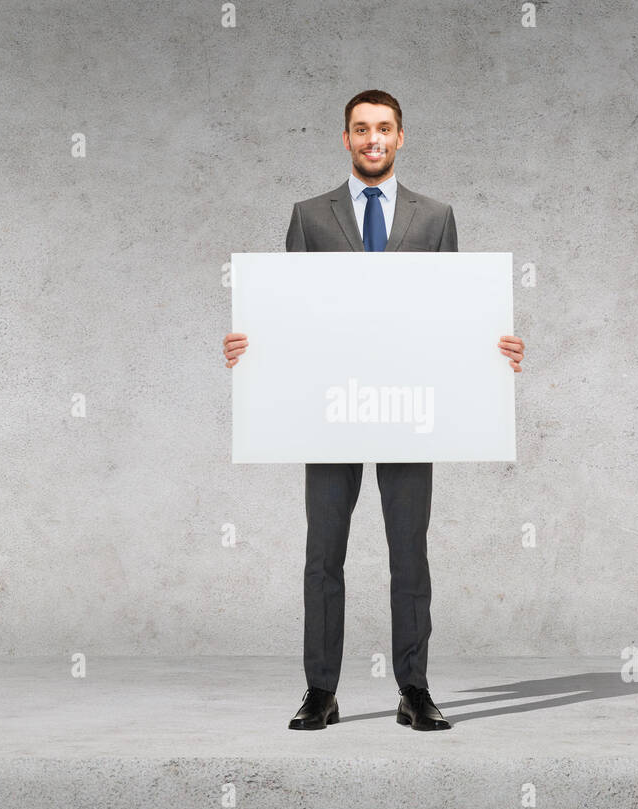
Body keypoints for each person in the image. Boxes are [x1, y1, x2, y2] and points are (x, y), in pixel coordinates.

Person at [222, 89, 525, 731]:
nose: (373, 139)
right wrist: (251, 345)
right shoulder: (309, 216)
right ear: (346, 138)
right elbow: (289, 310)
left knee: (408, 552)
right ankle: (321, 693)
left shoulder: (437, 216)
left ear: (401, 136)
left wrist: (494, 348)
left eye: (383, 129)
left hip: (410, 405)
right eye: (361, 130)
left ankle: (413, 689)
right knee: (323, 553)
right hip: (328, 407)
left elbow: (454, 312)